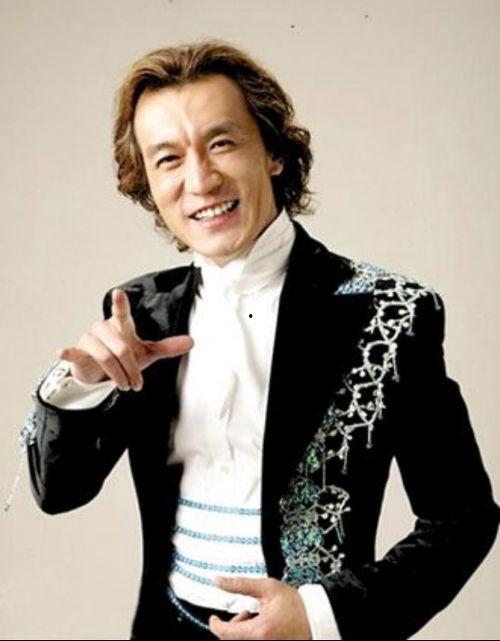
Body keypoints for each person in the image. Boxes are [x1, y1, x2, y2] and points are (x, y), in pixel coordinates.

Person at [22, 39, 499, 640]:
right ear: (146, 181)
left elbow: (462, 519)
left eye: (221, 143)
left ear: (273, 151)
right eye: (167, 159)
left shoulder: (392, 312)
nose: (200, 180)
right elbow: (58, 493)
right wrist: (82, 386)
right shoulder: (139, 311)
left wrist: (321, 617)